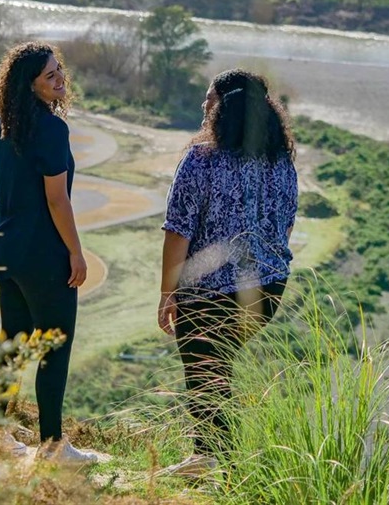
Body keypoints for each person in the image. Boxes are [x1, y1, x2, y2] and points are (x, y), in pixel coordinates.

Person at [157, 69, 298, 476]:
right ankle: (211, 460)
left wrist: (168, 293)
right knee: (217, 368)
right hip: (268, 291)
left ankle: (224, 468)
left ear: (226, 107)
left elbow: (178, 232)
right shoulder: (280, 162)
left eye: (209, 100)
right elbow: (285, 227)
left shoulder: (200, 160)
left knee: (205, 372)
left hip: (210, 292)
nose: (204, 107)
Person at [0, 41, 100, 464]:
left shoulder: (4, 123)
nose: (59, 81)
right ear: (28, 85)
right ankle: (51, 447)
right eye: (49, 76)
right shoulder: (51, 129)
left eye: (59, 72)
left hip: (2, 245)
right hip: (41, 253)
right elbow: (57, 201)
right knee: (55, 345)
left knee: (11, 343)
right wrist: (77, 252)